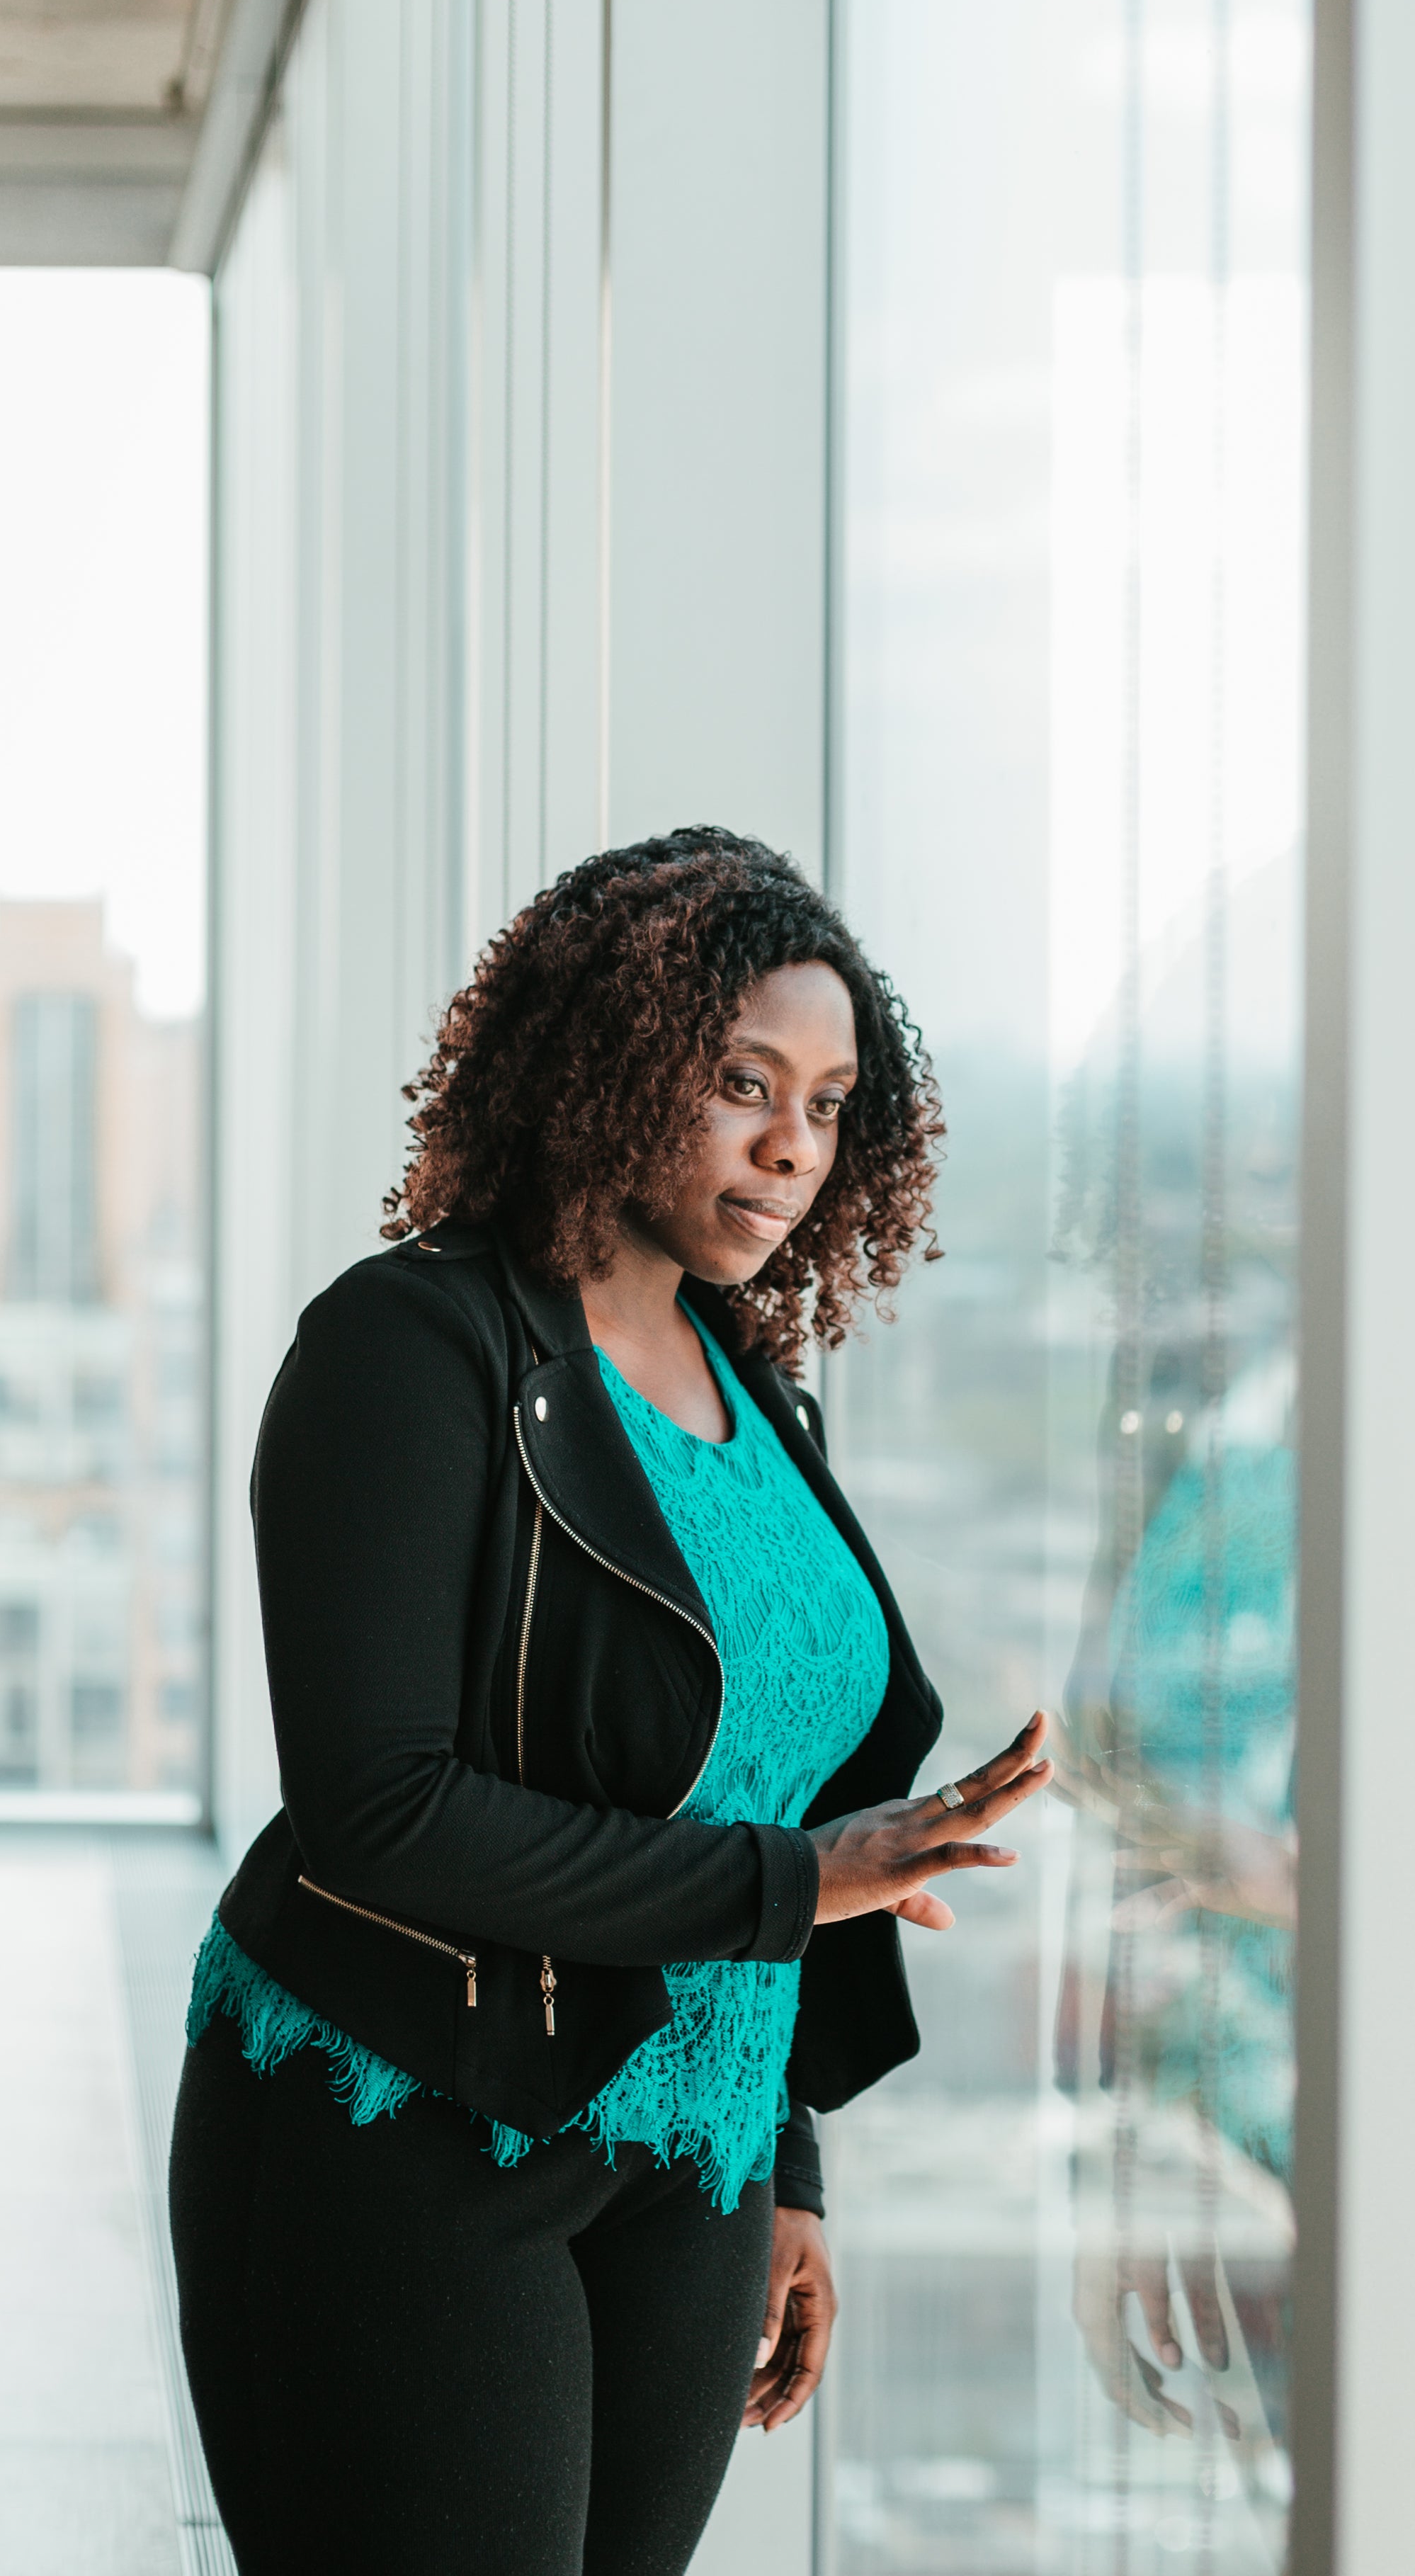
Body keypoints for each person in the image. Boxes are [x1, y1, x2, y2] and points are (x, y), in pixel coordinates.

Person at [168, 827, 1052, 2576]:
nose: (793, 1142)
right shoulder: (409, 1346)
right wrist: (800, 1882)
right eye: (743, 1082)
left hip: (691, 2158)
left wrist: (788, 2152)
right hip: (410, 2120)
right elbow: (383, 1801)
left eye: (828, 1098)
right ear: (613, 1058)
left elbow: (773, 1768)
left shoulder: (753, 1384)